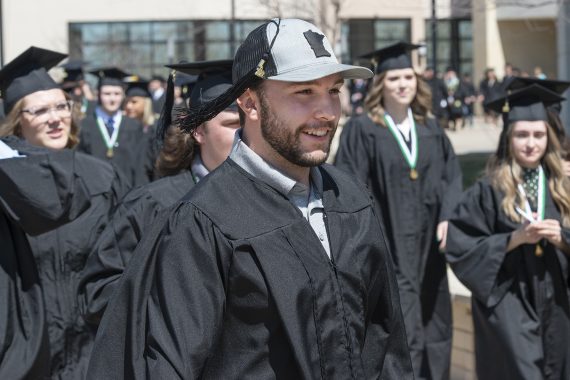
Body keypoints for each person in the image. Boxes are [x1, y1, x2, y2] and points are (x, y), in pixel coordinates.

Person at [87, 18, 413, 379]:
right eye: (304, 92)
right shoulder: (205, 220)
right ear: (249, 104)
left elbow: (388, 344)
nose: (327, 112)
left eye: (333, 91)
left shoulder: (350, 198)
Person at [335, 41, 463, 380]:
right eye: (393, 78)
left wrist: (449, 214)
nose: (403, 84)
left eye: (409, 76)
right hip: (387, 244)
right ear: (381, 84)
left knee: (436, 319)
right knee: (400, 321)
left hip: (429, 247)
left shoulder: (431, 128)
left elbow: (452, 176)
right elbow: (350, 185)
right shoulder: (363, 129)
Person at [0, 47, 130, 379]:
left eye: (61, 106)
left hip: (93, 349)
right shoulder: (6, 189)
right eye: (40, 111)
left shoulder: (100, 177)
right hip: (28, 354)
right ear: (16, 120)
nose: (56, 118)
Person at [79, 60, 239, 324]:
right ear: (198, 130)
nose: (245, 136)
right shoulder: (153, 205)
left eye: (253, 123)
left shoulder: (273, 198)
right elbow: (98, 296)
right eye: (233, 124)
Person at [446, 84, 570, 379]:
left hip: (556, 296)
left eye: (538, 135)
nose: (531, 143)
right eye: (522, 135)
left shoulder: (561, 186)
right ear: (508, 137)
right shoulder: (488, 189)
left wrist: (562, 238)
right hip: (508, 298)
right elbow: (460, 245)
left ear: (548, 138)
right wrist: (513, 239)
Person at [77, 67, 149, 187]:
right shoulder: (85, 125)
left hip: (127, 192)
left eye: (117, 94)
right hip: (94, 192)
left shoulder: (134, 126)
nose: (112, 99)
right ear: (99, 94)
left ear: (123, 96)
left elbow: (139, 164)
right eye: (107, 94)